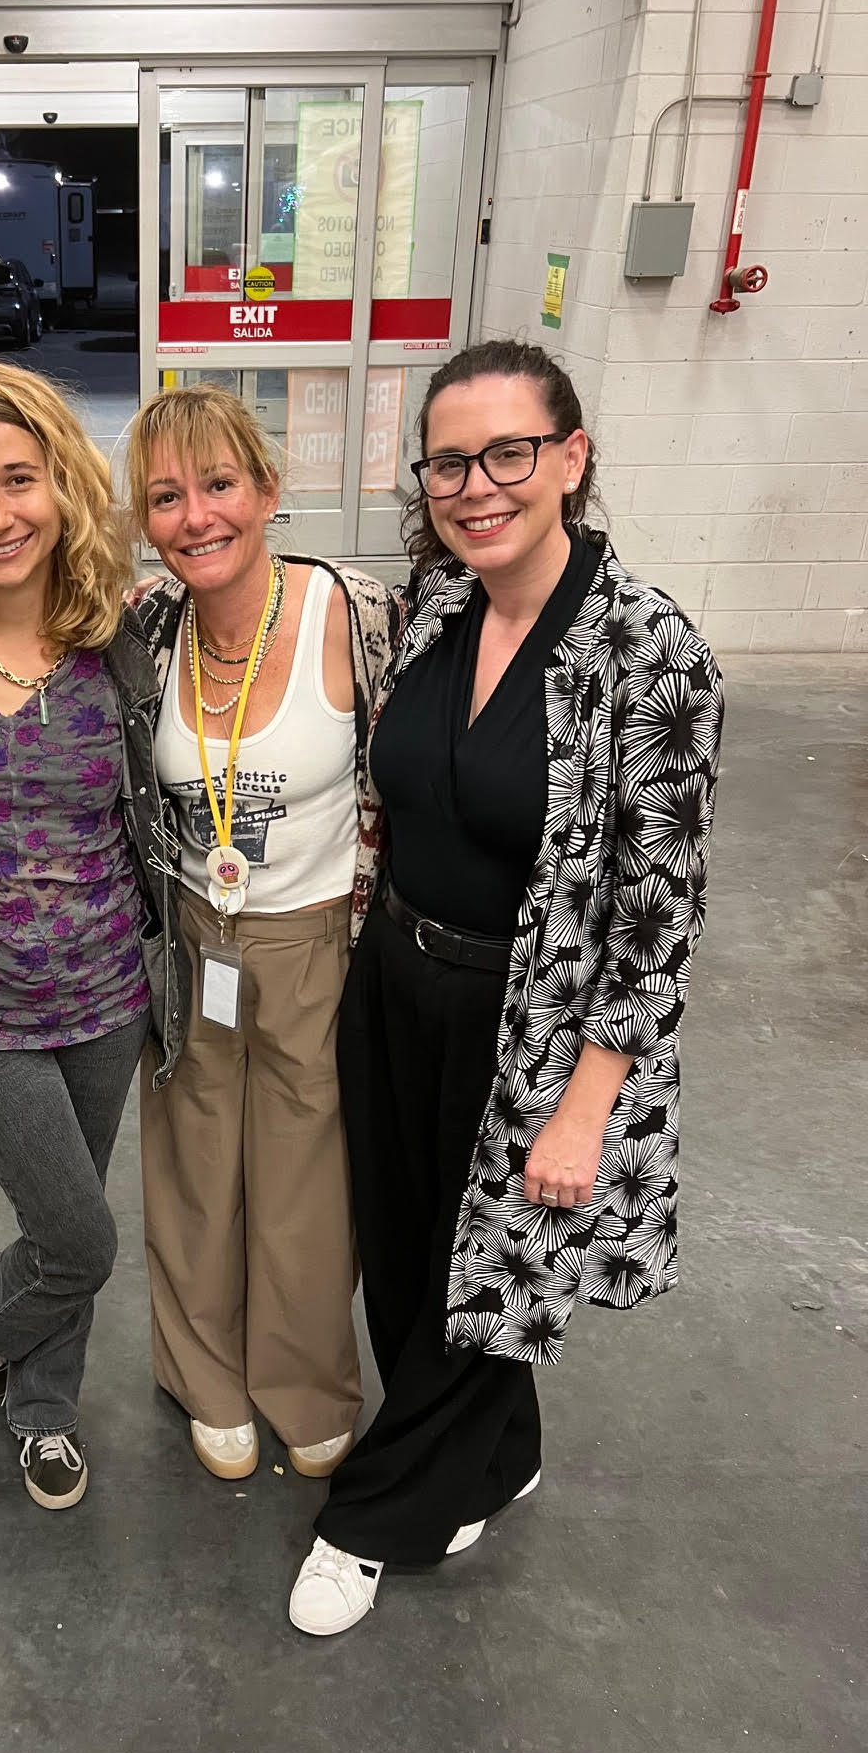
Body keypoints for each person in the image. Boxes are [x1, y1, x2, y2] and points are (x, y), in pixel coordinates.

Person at [288, 338, 723, 1636]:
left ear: (571, 458)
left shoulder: (654, 654)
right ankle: (499, 1451)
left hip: (527, 1022)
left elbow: (658, 917)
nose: (476, 486)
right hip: (393, 982)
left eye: (508, 454)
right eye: (448, 463)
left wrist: (586, 1109)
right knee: (407, 1256)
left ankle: (376, 1521)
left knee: (486, 1274)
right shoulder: (441, 604)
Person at [0, 360, 186, 1511]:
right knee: (79, 1239)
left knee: (68, 1212)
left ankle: (43, 1406)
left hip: (107, 996)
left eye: (19, 479)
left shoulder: (122, 641)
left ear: (63, 482)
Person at [123, 384, 393, 1485]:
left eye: (219, 484)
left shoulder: (354, 615)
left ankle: (306, 1381)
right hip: (192, 934)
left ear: (268, 489)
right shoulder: (146, 628)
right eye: (166, 497)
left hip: (317, 937)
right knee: (193, 1163)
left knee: (308, 1174)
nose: (196, 517)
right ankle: (206, 1378)